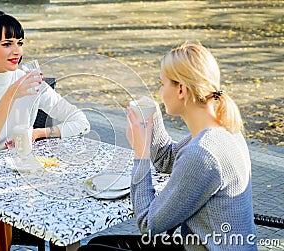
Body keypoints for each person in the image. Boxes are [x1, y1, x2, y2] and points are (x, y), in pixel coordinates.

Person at [78, 43, 256, 250]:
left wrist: (141, 153)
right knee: (100, 244)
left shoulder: (203, 153)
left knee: (93, 250)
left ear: (181, 89)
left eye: (162, 84)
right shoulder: (223, 129)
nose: (160, 92)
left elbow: (148, 223)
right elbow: (167, 160)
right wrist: (153, 119)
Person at [0, 10, 90, 250]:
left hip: (26, 170)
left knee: (70, 209)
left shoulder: (30, 82)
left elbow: (80, 122)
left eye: (19, 43)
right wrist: (12, 94)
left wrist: (38, 134)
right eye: (7, 44)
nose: (17, 51)